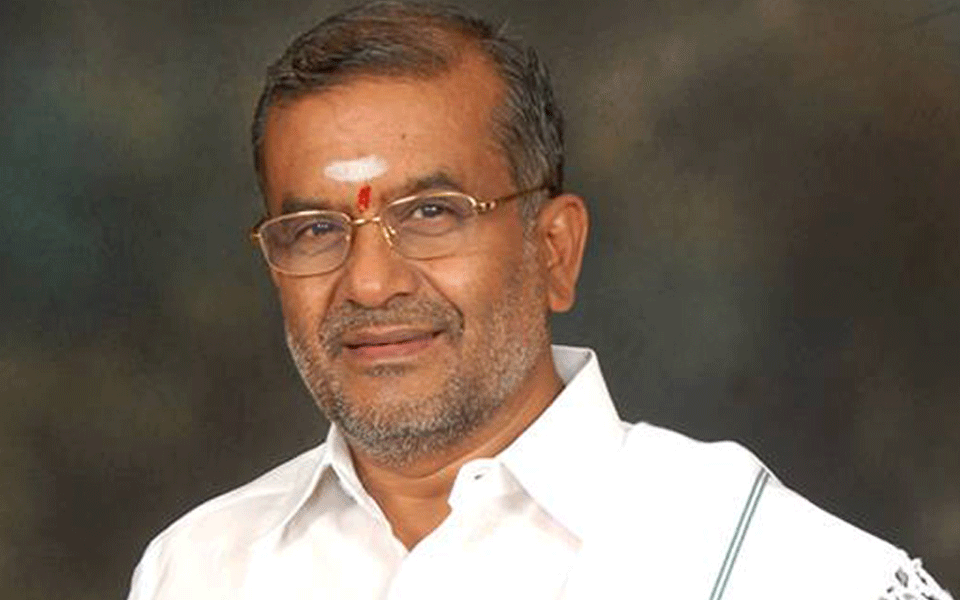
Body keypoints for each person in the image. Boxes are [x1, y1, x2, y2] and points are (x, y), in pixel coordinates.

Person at [127, 2, 954, 599]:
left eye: (432, 214)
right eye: (314, 230)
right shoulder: (197, 568)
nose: (370, 283)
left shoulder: (777, 566)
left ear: (555, 249)